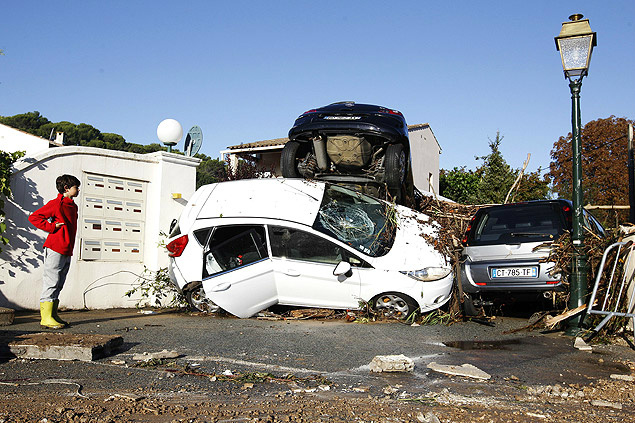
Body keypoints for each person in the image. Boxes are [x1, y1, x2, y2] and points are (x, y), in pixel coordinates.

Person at [28, 174, 80, 329]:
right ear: (66, 188)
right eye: (75, 187)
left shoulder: (73, 206)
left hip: (66, 248)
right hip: (55, 247)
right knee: (51, 281)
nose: (78, 190)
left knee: (60, 281)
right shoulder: (56, 204)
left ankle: (53, 314)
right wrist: (52, 227)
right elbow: (34, 217)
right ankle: (46, 318)